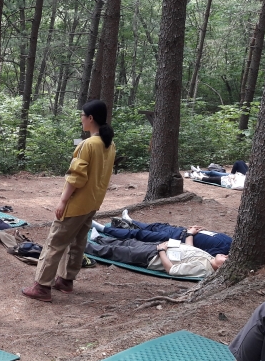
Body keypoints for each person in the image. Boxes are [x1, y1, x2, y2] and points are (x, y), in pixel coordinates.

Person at [22, 99, 116, 302]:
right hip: (92, 203)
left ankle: (41, 287)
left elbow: (76, 177)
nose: (81, 119)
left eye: (82, 116)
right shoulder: (109, 144)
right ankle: (65, 280)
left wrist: (63, 201)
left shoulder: (88, 145)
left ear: (90, 118)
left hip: (77, 204)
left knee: (55, 243)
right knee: (77, 242)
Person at [84, 230, 227, 277]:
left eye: (226, 260)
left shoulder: (203, 268)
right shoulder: (210, 258)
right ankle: (98, 238)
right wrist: (189, 234)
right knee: (128, 242)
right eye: (227, 255)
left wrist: (161, 251)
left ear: (222, 268)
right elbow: (192, 248)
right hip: (161, 247)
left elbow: (172, 270)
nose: (225, 255)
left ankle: (82, 247)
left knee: (116, 251)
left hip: (153, 257)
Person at [91, 210, 232, 256]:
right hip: (180, 231)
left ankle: (103, 229)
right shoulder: (230, 240)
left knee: (141, 235)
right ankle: (129, 221)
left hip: (176, 242)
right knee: (156, 226)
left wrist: (190, 234)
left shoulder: (224, 251)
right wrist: (200, 229)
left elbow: (195, 252)